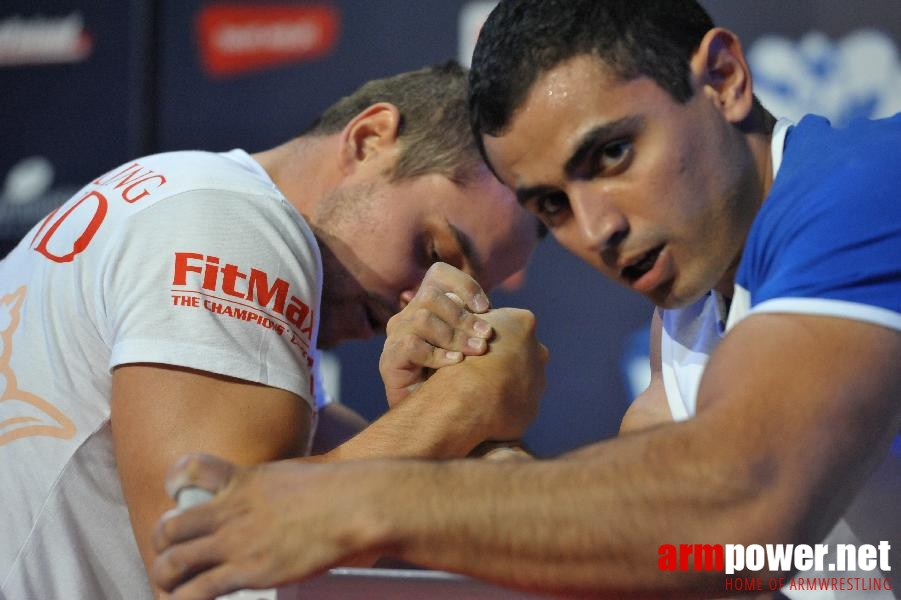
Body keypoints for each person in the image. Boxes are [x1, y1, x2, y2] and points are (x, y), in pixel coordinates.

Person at [151, 1, 901, 598]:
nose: (598, 228)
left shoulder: (865, 186)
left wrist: (360, 501)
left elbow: (740, 504)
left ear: (724, 78)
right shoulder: (691, 307)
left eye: (612, 154)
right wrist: (465, 428)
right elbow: (672, 556)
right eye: (550, 204)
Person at [0, 61, 548, 600]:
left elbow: (418, 517)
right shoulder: (234, 220)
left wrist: (459, 423)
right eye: (433, 252)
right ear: (371, 139)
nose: (425, 300)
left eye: (466, 295)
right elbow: (207, 562)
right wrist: (463, 401)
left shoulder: (195, 201)